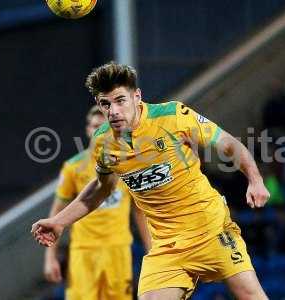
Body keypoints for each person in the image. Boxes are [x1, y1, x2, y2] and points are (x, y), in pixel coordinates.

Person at [32, 62, 270, 300]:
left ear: (137, 97)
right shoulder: (103, 142)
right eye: (105, 104)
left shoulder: (173, 116)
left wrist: (255, 178)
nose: (113, 111)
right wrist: (59, 222)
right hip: (166, 247)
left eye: (120, 100)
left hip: (210, 229)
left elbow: (227, 143)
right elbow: (101, 187)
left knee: (251, 296)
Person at [43, 105, 150, 300]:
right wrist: (50, 258)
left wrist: (151, 250)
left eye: (104, 126)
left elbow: (139, 211)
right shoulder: (73, 167)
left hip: (118, 249)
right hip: (84, 252)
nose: (97, 131)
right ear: (87, 130)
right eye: (94, 126)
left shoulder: (129, 163)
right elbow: (56, 214)